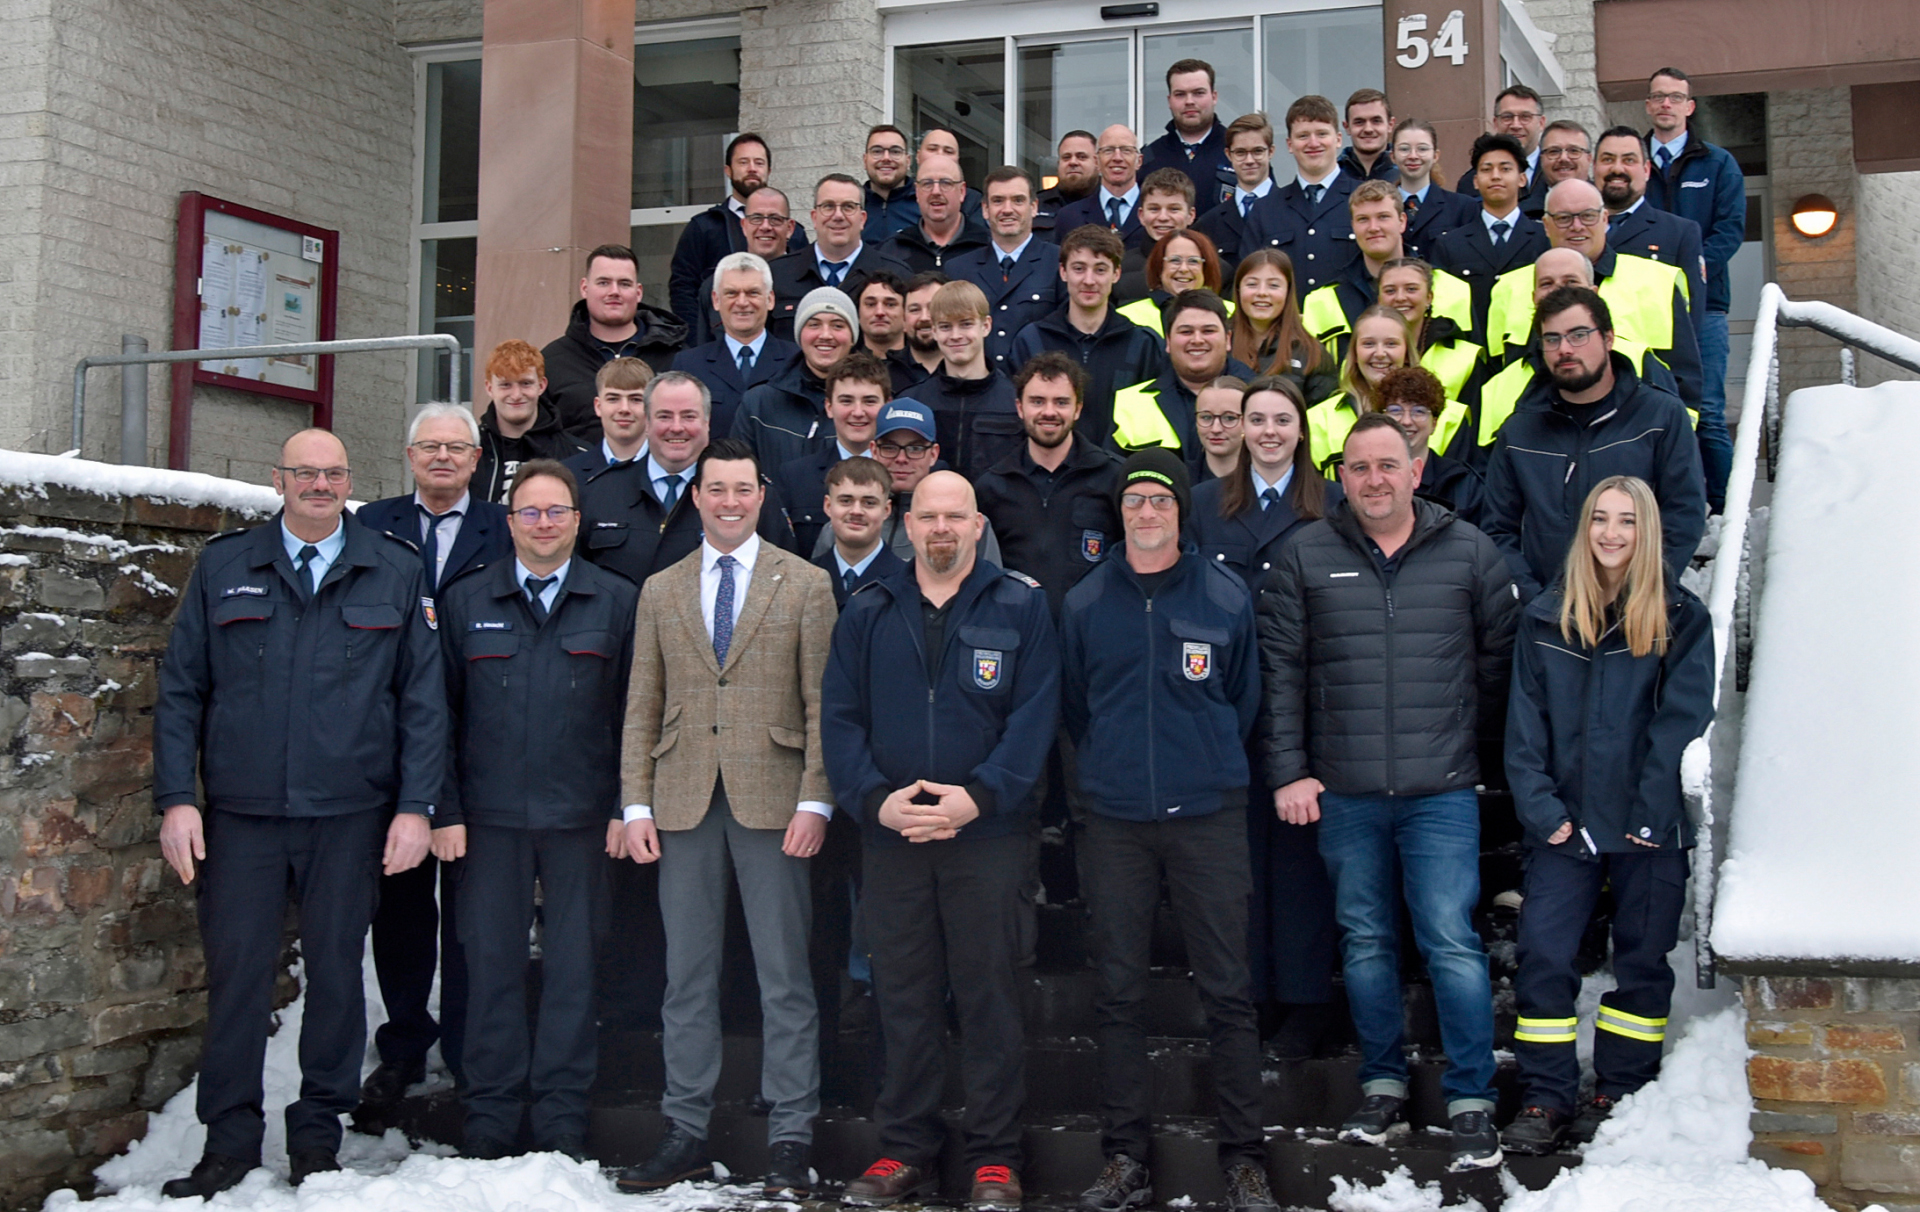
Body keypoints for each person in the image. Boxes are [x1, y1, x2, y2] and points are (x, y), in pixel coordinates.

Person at [153, 429, 446, 1197]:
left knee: (338, 979)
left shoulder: (393, 568)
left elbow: (422, 701)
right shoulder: (227, 566)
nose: (320, 485)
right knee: (237, 979)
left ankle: (318, 1139)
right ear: (278, 479)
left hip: (349, 814)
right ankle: (228, 1144)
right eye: (305, 473)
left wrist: (415, 808)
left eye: (334, 474)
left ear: (349, 482)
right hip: (243, 816)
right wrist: (177, 799)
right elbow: (182, 690)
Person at [1257, 412, 1518, 1173]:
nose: (1374, 480)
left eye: (1388, 465)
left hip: (1441, 792)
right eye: (1359, 467)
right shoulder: (1306, 554)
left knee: (1451, 940)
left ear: (1416, 471)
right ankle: (1380, 1084)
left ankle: (1471, 1097)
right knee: (1365, 942)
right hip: (1346, 791)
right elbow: (1281, 674)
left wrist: (1471, 750)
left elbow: (1498, 663)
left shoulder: (1469, 551)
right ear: (1341, 477)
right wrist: (1289, 769)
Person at [824, 468, 1058, 1212]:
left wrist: (977, 798)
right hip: (894, 837)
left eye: (956, 517)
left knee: (991, 997)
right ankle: (905, 1150)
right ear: (907, 524)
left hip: (989, 836)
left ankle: (995, 1159)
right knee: (903, 1000)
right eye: (928, 517)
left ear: (978, 526)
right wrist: (875, 803)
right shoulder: (869, 608)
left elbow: (1035, 717)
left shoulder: (1020, 605)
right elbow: (840, 717)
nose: (942, 529)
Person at [612, 438, 837, 1199]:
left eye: (743, 489)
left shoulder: (804, 583)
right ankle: (684, 1128)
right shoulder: (661, 589)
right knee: (687, 977)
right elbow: (642, 702)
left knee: (784, 975)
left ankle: (791, 1134)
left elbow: (822, 702)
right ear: (698, 496)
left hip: (775, 799)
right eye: (717, 489)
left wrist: (816, 798)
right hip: (682, 799)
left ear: (761, 495)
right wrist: (635, 802)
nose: (730, 502)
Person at [1061, 448, 1275, 1212]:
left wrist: (1199, 763)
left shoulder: (1224, 595)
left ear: (1182, 511)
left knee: (1228, 992)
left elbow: (1243, 701)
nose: (1146, 513)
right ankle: (1125, 1157)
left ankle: (1244, 1159)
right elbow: (1077, 708)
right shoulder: (1085, 601)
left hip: (1207, 817)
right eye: (1134, 501)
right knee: (1118, 994)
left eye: (1160, 501)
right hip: (1115, 821)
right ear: (1119, 512)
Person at [1500, 475, 1714, 1155]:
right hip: (1565, 825)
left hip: (1647, 828)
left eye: (1627, 520)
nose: (1612, 533)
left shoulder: (1680, 618)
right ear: (1584, 527)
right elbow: (1523, 725)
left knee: (1642, 962)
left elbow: (1682, 722)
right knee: (1543, 954)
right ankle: (1545, 1095)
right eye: (1600, 518)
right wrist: (1542, 809)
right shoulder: (1546, 616)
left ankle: (1619, 1090)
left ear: (1646, 531)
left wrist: (1650, 817)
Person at [431, 459, 636, 1161]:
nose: (543, 524)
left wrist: (624, 805)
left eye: (556, 512)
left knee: (575, 969)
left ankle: (560, 1115)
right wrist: (444, 809)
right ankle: (489, 1116)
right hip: (488, 819)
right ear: (509, 521)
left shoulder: (616, 600)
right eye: (530, 512)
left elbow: (634, 714)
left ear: (577, 521)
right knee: (490, 968)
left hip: (583, 819)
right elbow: (437, 714)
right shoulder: (465, 599)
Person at [352, 404, 511, 1111]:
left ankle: (472, 1048)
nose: (443, 457)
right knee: (403, 910)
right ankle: (405, 1045)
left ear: (478, 460)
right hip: (395, 738)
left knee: (474, 914)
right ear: (409, 455)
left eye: (457, 447)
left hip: (481, 739)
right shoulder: (370, 524)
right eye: (429, 446)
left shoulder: (504, 528)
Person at [1186, 378, 1340, 1058]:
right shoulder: (1203, 504)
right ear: (1241, 428)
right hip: (1226, 710)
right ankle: (1247, 998)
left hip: (1307, 710)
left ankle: (1305, 1001)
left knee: (1301, 864)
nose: (1269, 431)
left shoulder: (1331, 505)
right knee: (1236, 864)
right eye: (1257, 419)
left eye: (1282, 419)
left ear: (1302, 430)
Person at [1482, 286, 1705, 602]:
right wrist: (1535, 602)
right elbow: (1497, 529)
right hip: (1542, 612)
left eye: (1578, 335)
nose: (1564, 349)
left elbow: (1683, 515)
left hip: (1636, 609)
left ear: (1608, 338)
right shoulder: (1518, 431)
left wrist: (1637, 594)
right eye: (1552, 339)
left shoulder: (1660, 417)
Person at [1489, 178, 1702, 405]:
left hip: (1635, 422)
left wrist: (1674, 426)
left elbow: (1685, 379)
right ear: (1546, 225)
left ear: (1605, 219)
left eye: (1588, 216)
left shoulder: (1657, 281)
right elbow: (1494, 375)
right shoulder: (1508, 288)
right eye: (1563, 218)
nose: (1577, 226)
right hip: (1529, 421)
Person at [580, 371, 796, 588]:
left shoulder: (750, 497)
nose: (676, 427)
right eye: (664, 416)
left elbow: (784, 577)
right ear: (647, 422)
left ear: (707, 421)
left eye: (688, 416)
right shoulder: (598, 492)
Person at [1643, 66, 1743, 508]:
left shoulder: (1718, 163)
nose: (1666, 103)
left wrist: (1692, 273)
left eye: (1675, 97)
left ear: (1690, 107)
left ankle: (1725, 511)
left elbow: (1730, 230)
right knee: (1651, 410)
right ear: (1648, 105)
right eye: (1658, 96)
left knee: (1710, 413)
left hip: (1706, 308)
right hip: (1643, 305)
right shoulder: (1634, 162)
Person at [975, 352, 1124, 617]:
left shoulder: (1114, 478)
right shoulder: (991, 487)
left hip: (1092, 631)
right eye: (1037, 401)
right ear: (1019, 407)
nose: (1049, 412)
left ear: (1078, 409)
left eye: (1061, 402)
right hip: (1017, 630)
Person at [1009, 226, 1162, 449]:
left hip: (1120, 467)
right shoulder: (1031, 341)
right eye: (1079, 268)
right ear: (1063, 272)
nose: (1089, 280)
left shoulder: (1143, 344)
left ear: (1116, 274)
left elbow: (1151, 424)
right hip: (1048, 465)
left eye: (1100, 270)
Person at [1300, 181, 1474, 360]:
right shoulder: (1322, 301)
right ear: (1353, 226)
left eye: (1383, 217)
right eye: (1363, 219)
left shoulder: (1452, 289)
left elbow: (1475, 362)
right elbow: (1313, 372)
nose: (1373, 227)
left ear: (1402, 221)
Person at [541, 245, 688, 440]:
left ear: (638, 292)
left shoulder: (679, 356)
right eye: (603, 282)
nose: (614, 291)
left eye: (624, 284)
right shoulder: (552, 362)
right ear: (584, 288)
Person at [1110, 290, 1254, 477]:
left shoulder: (1260, 400)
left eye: (1208, 331)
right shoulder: (1131, 404)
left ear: (1227, 339)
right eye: (1186, 331)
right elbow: (1112, 476)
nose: (1197, 340)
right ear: (1168, 341)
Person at [668, 133, 806, 323]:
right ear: (728, 170)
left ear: (769, 170)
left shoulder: (795, 233)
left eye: (759, 163)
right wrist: (698, 336)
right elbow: (683, 289)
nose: (752, 168)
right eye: (743, 162)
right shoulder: (703, 227)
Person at [1429, 134, 1550, 340]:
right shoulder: (1449, 245)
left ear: (1522, 179)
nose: (1495, 176)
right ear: (1476, 181)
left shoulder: (1544, 239)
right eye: (1486, 169)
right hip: (1472, 352)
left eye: (1505, 169)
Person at [672, 252, 799, 442]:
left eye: (753, 293)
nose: (742, 302)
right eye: (731, 293)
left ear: (770, 299)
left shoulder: (796, 360)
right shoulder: (688, 365)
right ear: (716, 300)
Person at [773, 350, 890, 556]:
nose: (858, 412)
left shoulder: (906, 474)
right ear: (828, 407)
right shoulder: (795, 478)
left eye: (869, 401)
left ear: (887, 406)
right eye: (846, 401)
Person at [865, 398, 1006, 566]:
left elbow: (991, 581)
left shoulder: (968, 524)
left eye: (915, 449)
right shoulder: (852, 519)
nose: (901, 458)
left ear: (933, 454)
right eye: (890, 448)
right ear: (874, 451)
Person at [948, 167, 1064, 371]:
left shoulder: (1059, 262)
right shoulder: (958, 269)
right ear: (985, 209)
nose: (1007, 209)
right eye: (998, 201)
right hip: (978, 386)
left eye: (1018, 200)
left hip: (1040, 384)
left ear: (1034, 207)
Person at [732, 287, 860, 472]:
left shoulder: (871, 406)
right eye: (814, 325)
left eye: (838, 325)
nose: (825, 335)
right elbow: (737, 474)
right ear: (799, 335)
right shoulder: (759, 403)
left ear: (853, 336)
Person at [1243, 95, 1359, 294]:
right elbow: (1249, 278)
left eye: (1322, 134)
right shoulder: (1265, 210)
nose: (1313, 143)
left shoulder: (1364, 200)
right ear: (1290, 144)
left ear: (1338, 139)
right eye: (1303, 136)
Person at [914, 279, 1023, 480]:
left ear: (986, 326)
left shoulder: (1015, 403)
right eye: (945, 326)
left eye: (966, 324)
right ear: (934, 331)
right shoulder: (915, 403)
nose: (955, 335)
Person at [770, 174, 898, 340]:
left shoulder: (895, 275)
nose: (838, 216)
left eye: (848, 207)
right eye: (828, 206)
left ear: (862, 219)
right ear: (814, 217)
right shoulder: (778, 275)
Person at [1302, 306, 1420, 474]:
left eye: (1391, 344)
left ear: (1407, 353)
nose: (1380, 353)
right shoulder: (1318, 419)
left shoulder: (1443, 418)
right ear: (1355, 353)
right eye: (1369, 344)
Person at [1595, 128, 1705, 305]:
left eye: (1629, 160)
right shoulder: (1572, 227)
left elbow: (1692, 307)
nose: (1617, 168)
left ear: (1646, 170)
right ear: (1594, 167)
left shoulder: (1679, 233)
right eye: (1607, 159)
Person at [474, 339, 591, 504]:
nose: (516, 395)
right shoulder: (469, 453)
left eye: (526, 383)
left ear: (541, 386)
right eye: (505, 385)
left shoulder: (578, 454)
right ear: (489, 388)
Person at [1375, 258, 1487, 426]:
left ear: (1429, 297)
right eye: (1390, 291)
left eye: (1411, 289)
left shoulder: (1465, 358)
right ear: (1379, 300)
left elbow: (1474, 423)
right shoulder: (1364, 357)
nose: (1400, 297)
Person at [687, 186, 800, 347]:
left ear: (790, 228)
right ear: (744, 225)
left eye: (775, 219)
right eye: (756, 218)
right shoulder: (716, 284)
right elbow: (705, 349)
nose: (765, 226)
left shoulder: (807, 279)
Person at [1228, 250, 1338, 403]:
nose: (1262, 293)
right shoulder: (1218, 342)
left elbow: (1319, 412)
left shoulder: (1311, 352)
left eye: (1273, 285)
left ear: (1288, 291)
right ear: (1238, 289)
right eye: (1252, 284)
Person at [1380, 366, 1483, 525]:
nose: (1406, 421)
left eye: (1419, 411)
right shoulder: (1364, 477)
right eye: (1396, 410)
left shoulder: (1462, 484)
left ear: (1434, 424)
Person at [1140, 58, 1231, 215]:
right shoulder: (1149, 158)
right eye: (1180, 94)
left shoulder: (1238, 152)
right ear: (1169, 100)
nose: (1189, 101)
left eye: (1198, 93)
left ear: (1214, 96)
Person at [815, 454, 907, 606]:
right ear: (828, 506)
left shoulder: (909, 581)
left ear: (886, 510)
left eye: (869, 503)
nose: (856, 511)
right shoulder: (803, 579)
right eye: (846, 501)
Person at [1196, 112, 1280, 273]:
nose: (1249, 160)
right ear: (1228, 154)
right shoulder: (1209, 223)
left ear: (1271, 152)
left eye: (1257, 151)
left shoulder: (1293, 210)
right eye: (1240, 152)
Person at [878, 154, 990, 273]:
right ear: (917, 192)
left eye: (945, 183)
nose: (936, 191)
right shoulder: (891, 251)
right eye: (927, 183)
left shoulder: (989, 247)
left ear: (962, 192)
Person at [1455, 85, 1549, 216]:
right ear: (1495, 123)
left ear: (1541, 123)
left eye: (1525, 117)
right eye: (1507, 117)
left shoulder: (1556, 172)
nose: (1516, 125)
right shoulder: (1470, 182)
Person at [1389, 119, 1474, 261]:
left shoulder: (1462, 207)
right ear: (1392, 156)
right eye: (1404, 149)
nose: (1413, 156)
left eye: (1422, 149)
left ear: (1435, 156)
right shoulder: (1381, 208)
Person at [1054, 125, 1146, 247]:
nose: (1117, 158)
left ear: (1139, 161)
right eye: (1108, 150)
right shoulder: (1069, 216)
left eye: (1126, 150)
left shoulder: (1157, 212)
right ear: (1096, 161)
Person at [564, 357, 654, 480]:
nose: (624, 409)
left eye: (636, 399)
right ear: (598, 406)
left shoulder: (671, 470)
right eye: (613, 399)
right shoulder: (569, 474)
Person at [1118, 228, 1222, 335]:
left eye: (1193, 261)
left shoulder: (1230, 313)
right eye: (1175, 260)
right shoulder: (1126, 317)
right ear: (1159, 267)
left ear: (1206, 268)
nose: (1184, 269)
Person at [862, 124, 921, 245]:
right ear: (865, 160)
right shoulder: (852, 206)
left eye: (895, 151)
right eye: (877, 151)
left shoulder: (924, 204)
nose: (886, 158)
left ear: (908, 161)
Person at [896, 270, 949, 389]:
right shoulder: (884, 376)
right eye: (914, 310)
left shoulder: (972, 375)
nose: (924, 317)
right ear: (903, 320)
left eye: (933, 308)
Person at [1039, 130, 1101, 223]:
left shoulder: (1112, 205)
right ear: (1058, 164)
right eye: (1066, 157)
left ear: (1097, 163)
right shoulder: (1036, 205)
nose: (1073, 162)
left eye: (1081, 157)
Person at [1193, 375, 1246, 482]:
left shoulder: (1267, 480)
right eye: (1206, 417)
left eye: (1229, 418)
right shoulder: (1180, 480)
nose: (1215, 429)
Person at [1337, 89, 1397, 183]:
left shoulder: (1406, 172)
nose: (1368, 129)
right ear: (1347, 127)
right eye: (1359, 122)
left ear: (1390, 125)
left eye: (1376, 121)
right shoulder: (1334, 173)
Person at [855, 270, 910, 360]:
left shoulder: (925, 366)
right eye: (871, 304)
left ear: (905, 314)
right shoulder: (843, 367)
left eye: (890, 305)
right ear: (858, 314)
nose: (879, 312)